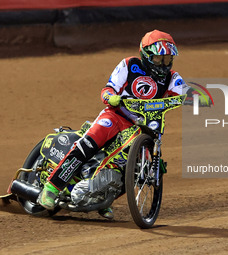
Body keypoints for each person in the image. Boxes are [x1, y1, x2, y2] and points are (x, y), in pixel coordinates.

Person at [38, 29, 207, 219]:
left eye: (167, 59)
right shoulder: (129, 64)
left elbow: (191, 93)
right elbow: (108, 89)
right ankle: (51, 187)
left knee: (133, 168)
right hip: (116, 116)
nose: (163, 64)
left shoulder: (171, 77)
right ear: (146, 55)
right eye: (159, 58)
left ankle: (102, 198)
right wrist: (111, 97)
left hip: (145, 125)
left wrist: (199, 97)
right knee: (90, 142)